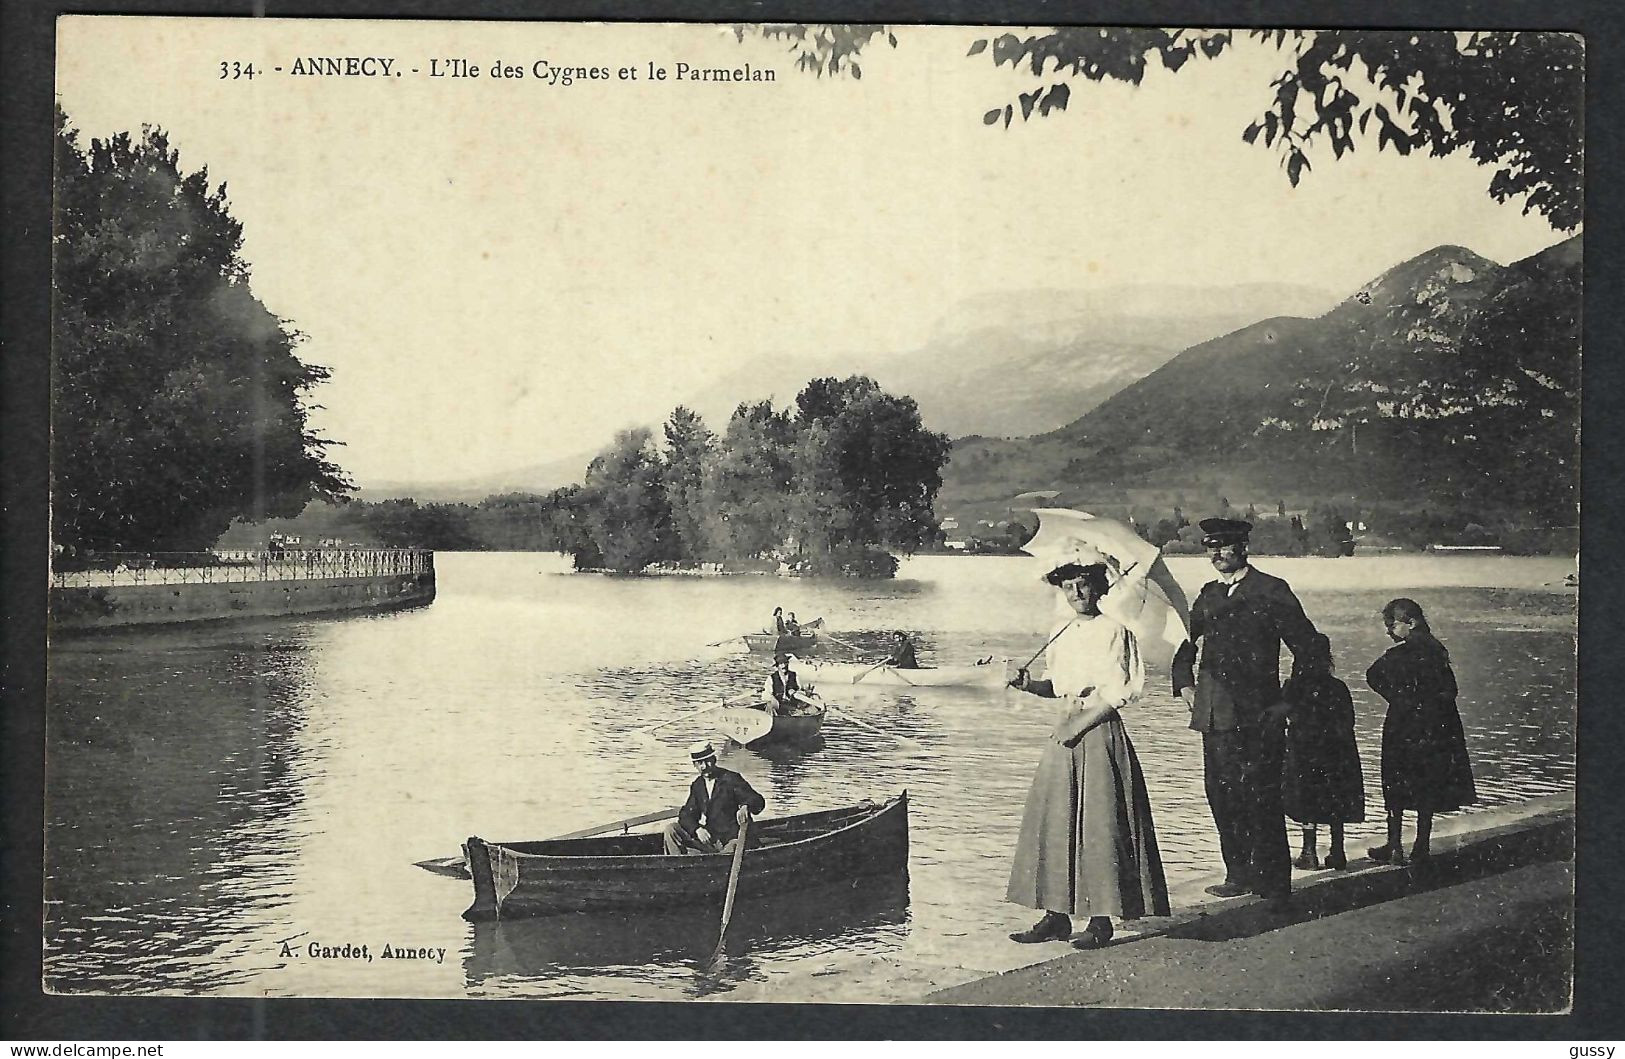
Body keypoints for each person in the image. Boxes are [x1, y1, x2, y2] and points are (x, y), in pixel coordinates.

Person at [1006, 560, 1170, 948]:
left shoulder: (1116, 631)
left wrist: (1077, 726)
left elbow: (1116, 694)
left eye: (1084, 585)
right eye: (1068, 587)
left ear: (1099, 589)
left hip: (1096, 731)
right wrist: (1028, 684)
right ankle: (1056, 915)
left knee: (1098, 824)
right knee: (1057, 820)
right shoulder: (1060, 632)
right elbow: (1059, 686)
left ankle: (1100, 920)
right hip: (1064, 729)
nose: (1077, 594)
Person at [1172, 517, 1321, 908]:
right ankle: (1237, 873)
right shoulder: (1207, 595)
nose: (1216, 554)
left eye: (1224, 545)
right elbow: (1185, 645)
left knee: (1262, 796)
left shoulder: (1271, 590)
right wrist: (1184, 685)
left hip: (1260, 715)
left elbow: (1310, 650)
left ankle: (1273, 883)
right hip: (1214, 715)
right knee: (1220, 795)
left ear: (1243, 547)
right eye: (1210, 546)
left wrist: (1288, 701)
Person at [1365, 598, 1476, 868]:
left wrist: (1398, 698)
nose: (1389, 631)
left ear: (1410, 623)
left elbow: (1372, 675)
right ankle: (1421, 845)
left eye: (1392, 625)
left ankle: (1394, 846)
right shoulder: (1438, 651)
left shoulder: (1398, 655)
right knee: (1426, 783)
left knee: (1395, 780)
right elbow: (1451, 691)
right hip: (1436, 727)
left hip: (1403, 725)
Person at [1281, 633, 1365, 871]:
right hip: (1337, 751)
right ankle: (1337, 850)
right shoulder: (1338, 687)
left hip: (1305, 750)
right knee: (1335, 797)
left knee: (1307, 797)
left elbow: (1285, 715)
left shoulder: (1294, 686)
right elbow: (1349, 720)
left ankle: (1309, 852)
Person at [662, 741, 766, 856]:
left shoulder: (730, 779)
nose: (704, 766)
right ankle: (678, 867)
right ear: (695, 765)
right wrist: (697, 829)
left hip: (733, 839)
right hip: (712, 839)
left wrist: (746, 806)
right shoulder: (698, 785)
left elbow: (757, 800)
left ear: (714, 760)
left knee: (734, 847)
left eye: (707, 761)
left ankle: (713, 864)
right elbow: (687, 814)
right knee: (671, 829)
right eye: (700, 763)